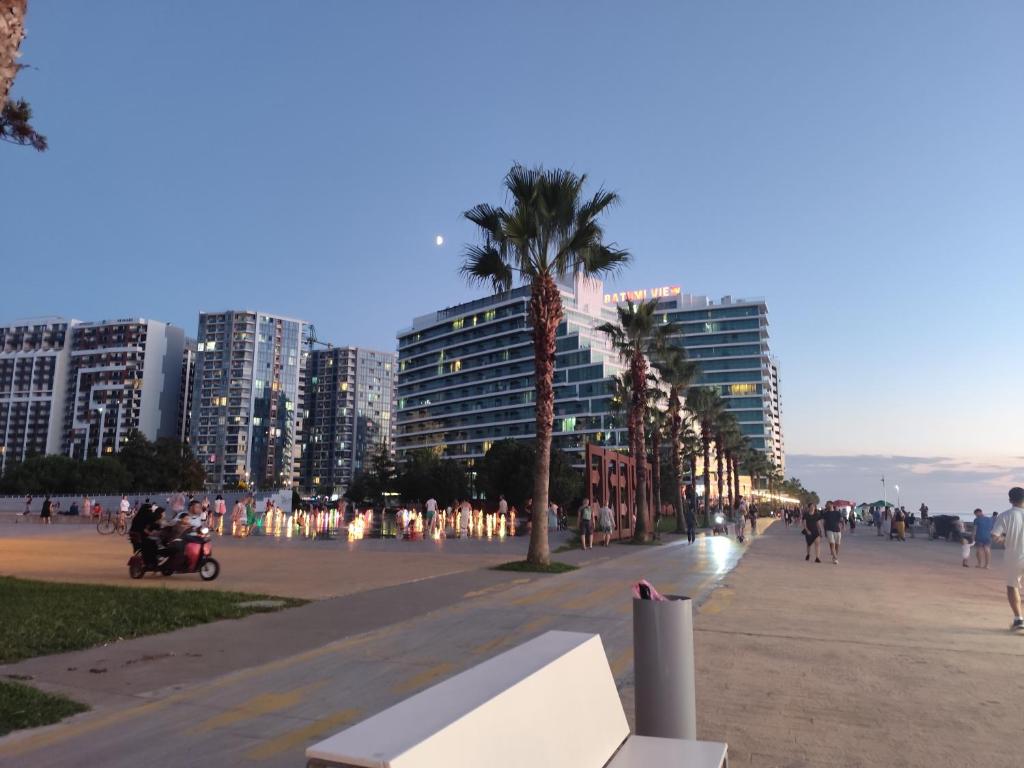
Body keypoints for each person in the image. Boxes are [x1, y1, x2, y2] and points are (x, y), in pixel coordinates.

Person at [991, 487, 1024, 631]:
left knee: (1012, 586)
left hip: (1014, 556)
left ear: (1010, 500)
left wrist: (1005, 539)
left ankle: (1018, 620)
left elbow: (995, 537)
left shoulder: (1005, 516)